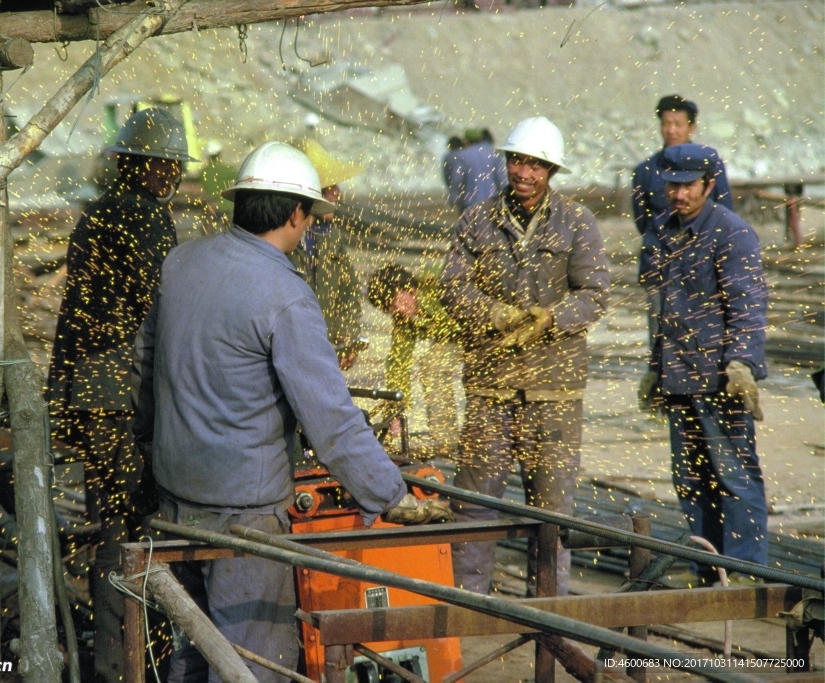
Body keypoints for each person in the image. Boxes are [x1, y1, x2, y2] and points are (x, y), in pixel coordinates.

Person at [132, 141, 453, 683]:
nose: (308, 228)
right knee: (250, 662)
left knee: (189, 651)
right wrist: (392, 496)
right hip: (245, 516)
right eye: (309, 216)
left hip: (173, 497)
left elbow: (145, 366)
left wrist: (151, 447)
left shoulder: (182, 261)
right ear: (294, 213)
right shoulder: (285, 294)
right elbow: (332, 421)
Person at [46, 107, 194, 683]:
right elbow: (160, 315)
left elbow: (75, 316)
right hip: (119, 394)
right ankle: (126, 663)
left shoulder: (94, 215)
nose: (175, 177)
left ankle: (126, 655)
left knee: (112, 519)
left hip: (87, 390)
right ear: (149, 167)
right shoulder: (150, 220)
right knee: (132, 528)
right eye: (170, 166)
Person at [440, 116, 610, 597]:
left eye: (536, 165)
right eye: (518, 161)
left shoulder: (577, 222)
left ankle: (549, 613)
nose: (525, 173)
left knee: (551, 514)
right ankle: (468, 603)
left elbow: (594, 293)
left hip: (554, 391)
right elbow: (453, 287)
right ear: (507, 163)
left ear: (551, 170)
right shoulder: (476, 221)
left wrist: (549, 319)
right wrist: (494, 315)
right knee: (473, 506)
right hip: (490, 388)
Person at [637, 143, 769, 585]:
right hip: (679, 378)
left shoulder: (731, 233)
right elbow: (657, 306)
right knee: (692, 483)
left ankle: (746, 573)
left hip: (719, 382)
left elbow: (748, 305)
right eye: (672, 186)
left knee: (734, 479)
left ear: (709, 185)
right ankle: (709, 571)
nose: (678, 195)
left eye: (688, 186)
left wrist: (743, 364)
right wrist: (654, 365)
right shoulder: (659, 233)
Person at [633, 95, 732, 344]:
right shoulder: (645, 170)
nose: (671, 130)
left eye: (678, 123)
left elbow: (725, 212)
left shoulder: (711, 165)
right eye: (666, 123)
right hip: (659, 266)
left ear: (691, 127)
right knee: (660, 340)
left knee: (703, 339)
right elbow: (641, 219)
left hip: (703, 267)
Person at [367, 264, 464, 457]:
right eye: (390, 310)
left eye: (396, 304)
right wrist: (395, 411)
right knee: (432, 366)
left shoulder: (439, 283)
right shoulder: (403, 317)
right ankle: (446, 439)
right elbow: (398, 363)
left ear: (408, 290)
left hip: (483, 327)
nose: (396, 312)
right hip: (455, 337)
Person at [293, 138, 366, 368]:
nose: (338, 193)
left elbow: (350, 290)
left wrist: (346, 334)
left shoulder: (331, 237)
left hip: (326, 351)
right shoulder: (283, 241)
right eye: (331, 187)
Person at [445, 127, 508, 214]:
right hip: (491, 201)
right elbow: (502, 179)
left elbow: (457, 180)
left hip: (469, 202)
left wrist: (453, 198)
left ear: (466, 140)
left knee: (468, 226)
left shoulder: (462, 156)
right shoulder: (493, 154)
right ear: (480, 139)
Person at [198, 139, 235, 226]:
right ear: (219, 153)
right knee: (227, 231)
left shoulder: (204, 171)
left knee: (208, 231)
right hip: (225, 206)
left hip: (210, 206)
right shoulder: (227, 169)